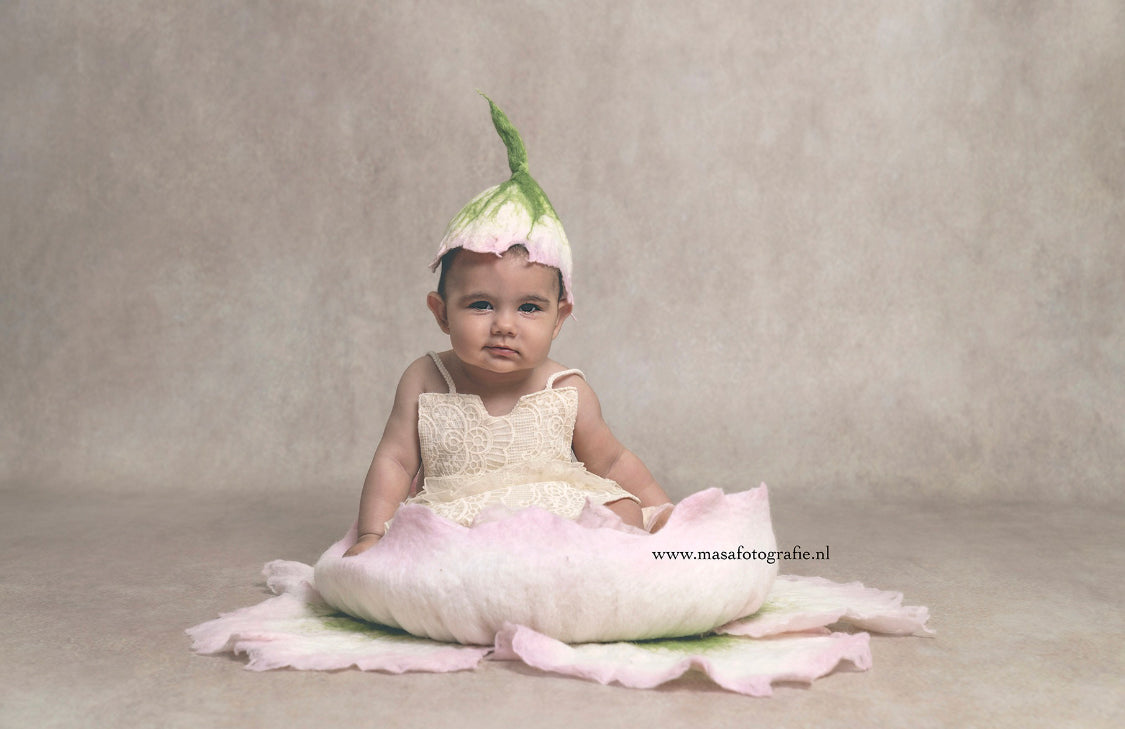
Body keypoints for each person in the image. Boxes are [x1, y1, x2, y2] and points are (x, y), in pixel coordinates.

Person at [344, 95, 671, 557]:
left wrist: (662, 510)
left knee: (623, 509)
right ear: (441, 313)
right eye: (480, 304)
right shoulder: (425, 379)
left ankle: (573, 570)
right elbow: (395, 461)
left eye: (530, 309)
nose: (504, 326)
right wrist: (372, 535)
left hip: (553, 507)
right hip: (461, 512)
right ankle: (490, 577)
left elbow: (613, 459)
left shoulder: (567, 389)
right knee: (424, 542)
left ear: (560, 318)